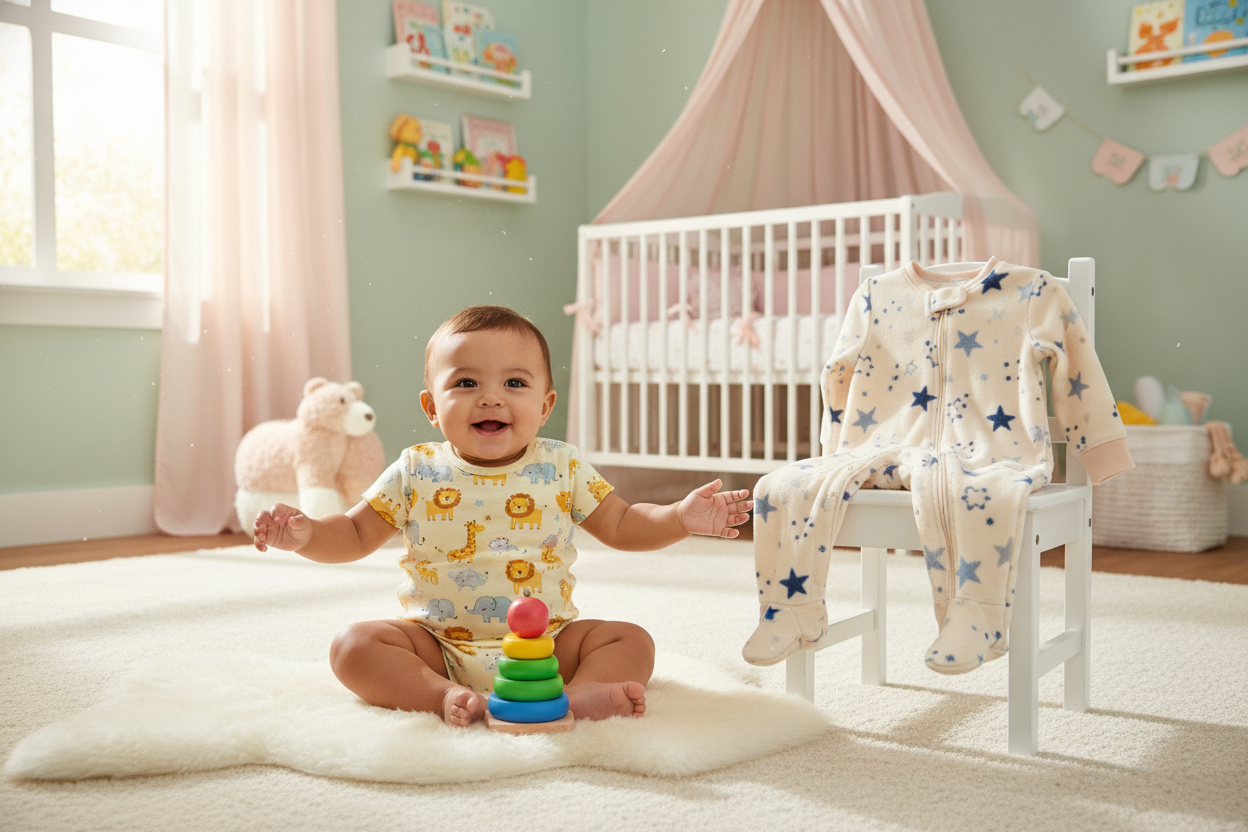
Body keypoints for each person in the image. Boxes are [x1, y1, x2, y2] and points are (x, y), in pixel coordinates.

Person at [253, 305, 752, 727]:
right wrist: (308, 534)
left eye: (515, 382)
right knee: (353, 645)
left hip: (549, 646)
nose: (491, 397)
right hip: (437, 647)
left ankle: (581, 692)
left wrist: (678, 518)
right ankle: (441, 697)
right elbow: (356, 533)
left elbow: (623, 524)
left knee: (629, 640)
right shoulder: (416, 469)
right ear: (431, 406)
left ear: (545, 404)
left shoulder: (563, 465)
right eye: (466, 382)